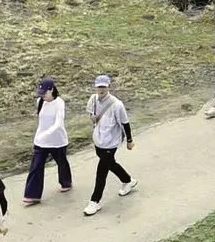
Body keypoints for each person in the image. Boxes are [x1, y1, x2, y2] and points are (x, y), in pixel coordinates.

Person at [84, 75, 137, 216]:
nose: (101, 89)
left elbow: (125, 123)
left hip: (111, 141)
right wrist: (92, 118)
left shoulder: (117, 105)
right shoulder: (93, 100)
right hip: (99, 140)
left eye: (104, 86)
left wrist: (129, 140)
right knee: (110, 164)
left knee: (101, 171)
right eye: (99, 86)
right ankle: (128, 180)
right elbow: (91, 115)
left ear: (108, 87)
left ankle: (95, 201)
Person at [22, 77, 73, 205]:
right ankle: (32, 195)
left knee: (61, 162)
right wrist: (40, 136)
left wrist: (46, 134)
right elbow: (41, 121)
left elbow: (58, 123)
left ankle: (66, 182)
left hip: (57, 140)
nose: (42, 96)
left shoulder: (59, 103)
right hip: (41, 142)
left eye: (45, 93)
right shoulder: (40, 101)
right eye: (41, 93)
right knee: (36, 166)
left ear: (51, 90)